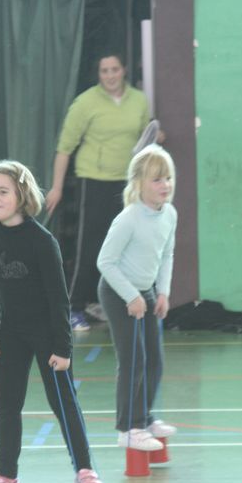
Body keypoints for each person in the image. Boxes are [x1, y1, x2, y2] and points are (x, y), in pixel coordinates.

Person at [0, 159, 105, 483]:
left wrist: (63, 348)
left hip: (47, 335)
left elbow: (59, 299)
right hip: (11, 334)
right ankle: (6, 479)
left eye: (2, 192)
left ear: (22, 194)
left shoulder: (42, 241)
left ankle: (85, 471)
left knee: (64, 404)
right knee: (7, 406)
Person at [46, 52, 150, 332]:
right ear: (99, 74)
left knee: (123, 247)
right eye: (104, 71)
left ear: (124, 70)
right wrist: (56, 187)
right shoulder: (85, 103)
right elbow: (65, 147)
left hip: (128, 185)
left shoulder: (139, 101)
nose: (110, 75)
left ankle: (104, 302)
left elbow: (145, 138)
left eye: (114, 69)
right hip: (94, 181)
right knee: (90, 246)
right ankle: (74, 308)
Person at [97, 144, 178, 452]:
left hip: (145, 293)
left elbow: (166, 254)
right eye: (157, 179)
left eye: (168, 178)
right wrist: (131, 296)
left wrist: (163, 293)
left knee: (155, 360)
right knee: (134, 360)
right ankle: (128, 428)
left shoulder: (169, 213)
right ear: (139, 184)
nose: (165, 185)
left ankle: (144, 418)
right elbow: (105, 262)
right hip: (118, 293)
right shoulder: (129, 219)